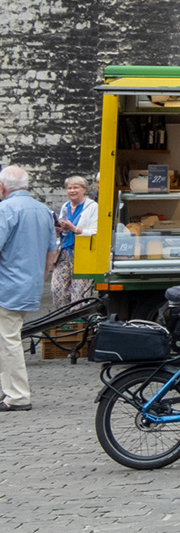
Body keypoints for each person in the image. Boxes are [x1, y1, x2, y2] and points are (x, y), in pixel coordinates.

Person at [0, 166, 59, 412]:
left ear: (2, 187)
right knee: (8, 337)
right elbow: (51, 253)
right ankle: (9, 390)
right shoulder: (44, 210)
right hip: (29, 284)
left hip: (6, 285)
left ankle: (18, 396)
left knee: (8, 340)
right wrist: (39, 279)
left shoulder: (5, 209)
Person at [51, 176, 98, 308]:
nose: (72, 191)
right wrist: (58, 229)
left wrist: (74, 229)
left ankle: (80, 324)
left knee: (79, 295)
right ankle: (62, 321)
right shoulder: (66, 206)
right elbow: (63, 229)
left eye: (76, 187)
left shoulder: (93, 207)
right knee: (58, 290)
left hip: (83, 254)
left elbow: (96, 232)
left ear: (84, 190)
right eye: (69, 188)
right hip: (64, 252)